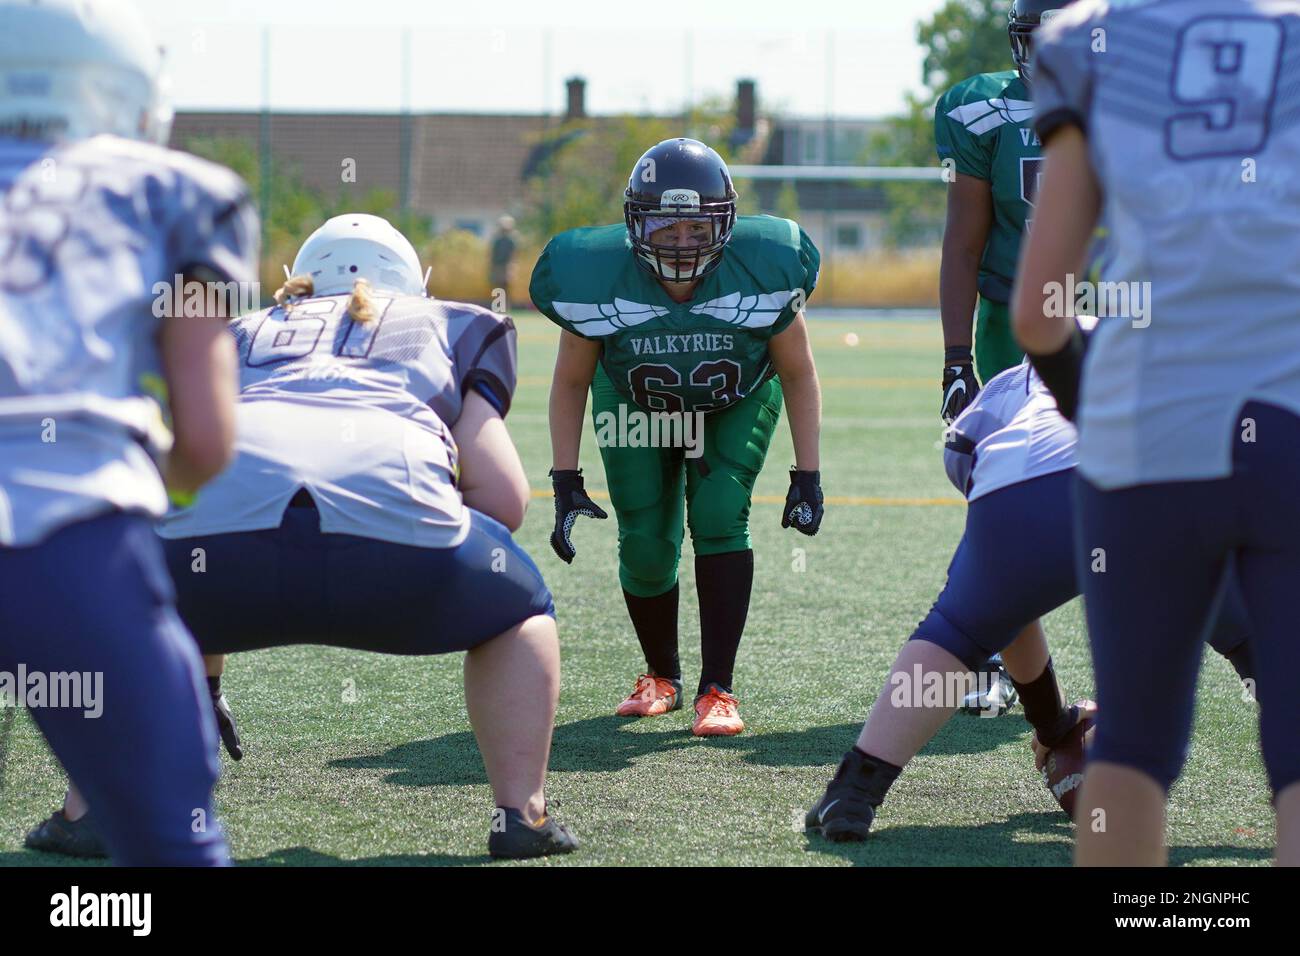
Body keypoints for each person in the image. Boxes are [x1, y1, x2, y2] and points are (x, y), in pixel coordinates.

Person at [40, 213, 574, 860]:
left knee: (123, 596)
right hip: (397, 546)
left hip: (215, 560)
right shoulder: (455, 323)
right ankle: (522, 816)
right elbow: (505, 499)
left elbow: (178, 470)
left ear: (298, 280)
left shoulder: (238, 331)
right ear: (414, 283)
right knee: (521, 611)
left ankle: (89, 808)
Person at [1013, 0, 1300, 865]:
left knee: (1133, 744)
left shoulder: (1086, 41)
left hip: (1146, 436)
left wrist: (1094, 416)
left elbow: (1038, 313)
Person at [806, 342, 1254, 841]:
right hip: (1169, 492)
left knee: (960, 630)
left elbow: (1006, 605)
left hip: (1028, 488)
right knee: (1257, 646)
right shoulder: (1189, 348)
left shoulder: (1010, 386)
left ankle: (855, 792)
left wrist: (1052, 724)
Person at [0, 0, 258, 865]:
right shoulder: (174, 192)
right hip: (70, 535)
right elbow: (208, 436)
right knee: (168, 840)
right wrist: (166, 489)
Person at [533, 137, 823, 736]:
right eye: (666, 225)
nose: (684, 241)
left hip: (736, 396)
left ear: (728, 223)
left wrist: (808, 474)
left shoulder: (765, 266)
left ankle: (717, 688)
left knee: (719, 514)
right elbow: (570, 383)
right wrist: (565, 479)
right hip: (635, 397)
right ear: (636, 224)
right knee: (644, 539)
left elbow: (797, 371)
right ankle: (659, 675)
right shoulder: (596, 278)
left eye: (698, 225)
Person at [935, 2, 1079, 715]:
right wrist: (957, 357)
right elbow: (965, 239)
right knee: (996, 493)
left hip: (1117, 318)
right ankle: (991, 654)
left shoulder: (1143, 107)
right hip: (1010, 321)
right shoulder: (984, 111)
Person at [489, 214, 519, 297]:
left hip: (507, 266)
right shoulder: (497, 240)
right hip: (497, 266)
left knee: (506, 287)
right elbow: (493, 254)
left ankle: (504, 307)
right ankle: (498, 307)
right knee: (498, 287)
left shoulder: (511, 240)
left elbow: (514, 254)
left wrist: (511, 266)